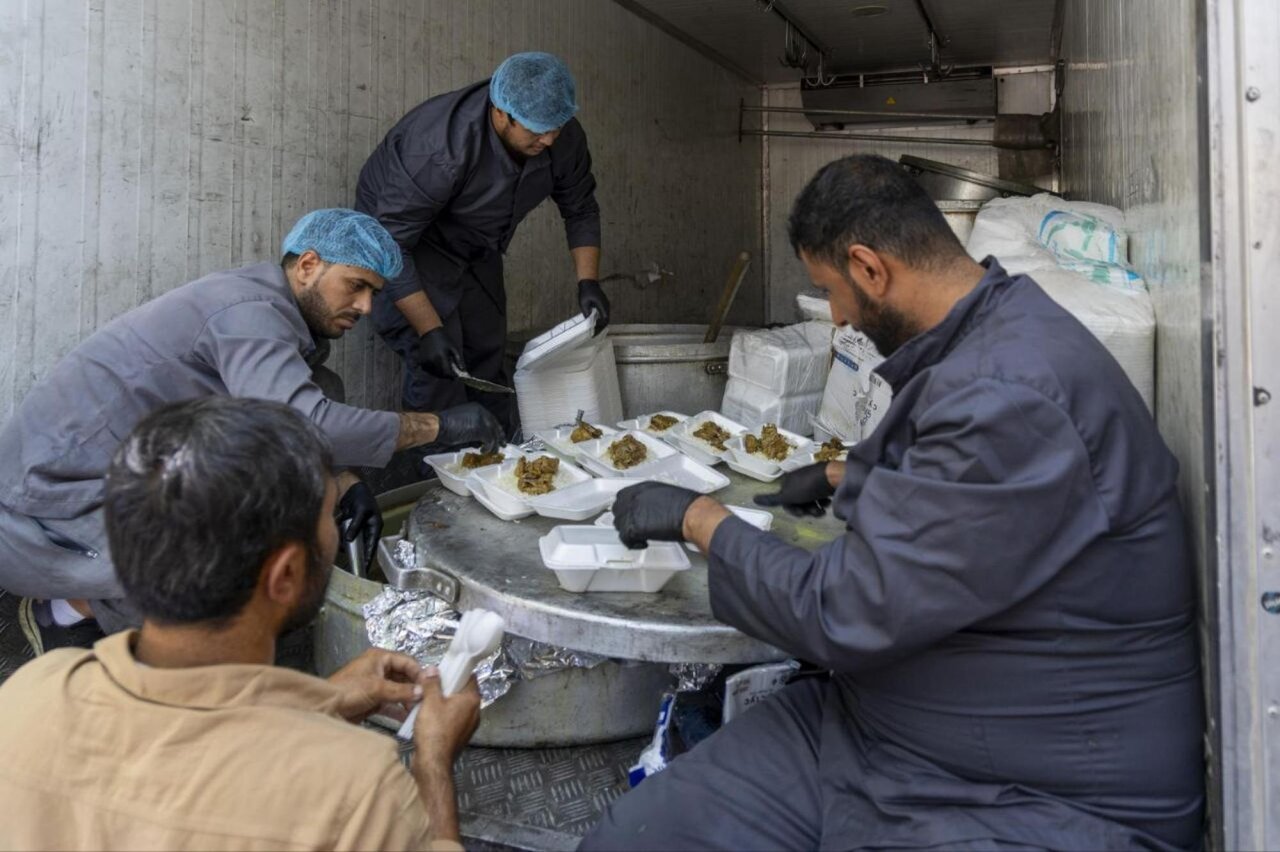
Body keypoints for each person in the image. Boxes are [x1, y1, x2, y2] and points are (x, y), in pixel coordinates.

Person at [589, 155, 1205, 850]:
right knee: (636, 836)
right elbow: (964, 498)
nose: (843, 320)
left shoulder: (1011, 391)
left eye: (831, 291)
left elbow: (848, 609)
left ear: (870, 268)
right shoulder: (994, 329)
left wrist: (699, 518)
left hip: (1030, 795)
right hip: (888, 729)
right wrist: (840, 476)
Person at [0, 208, 505, 653]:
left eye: (374, 293)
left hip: (134, 468)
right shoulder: (248, 313)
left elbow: (294, 407)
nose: (367, 307)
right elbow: (306, 421)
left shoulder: (268, 312)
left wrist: (346, 482)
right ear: (308, 266)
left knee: (319, 391)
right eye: (356, 285)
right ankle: (69, 609)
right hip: (53, 497)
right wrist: (433, 425)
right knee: (205, 593)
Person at [0, 398, 480, 850]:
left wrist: (322, 702)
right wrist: (433, 762)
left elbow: (179, 761)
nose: (335, 533)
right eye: (329, 517)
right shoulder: (354, 790)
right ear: (286, 574)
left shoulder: (29, 696)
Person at [356, 51, 607, 437]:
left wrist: (588, 282)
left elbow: (581, 209)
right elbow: (390, 246)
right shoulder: (439, 148)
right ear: (500, 112)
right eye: (538, 130)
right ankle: (437, 480)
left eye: (556, 126)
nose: (550, 138)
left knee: (488, 354)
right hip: (407, 245)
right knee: (439, 367)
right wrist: (429, 331)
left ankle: (498, 467)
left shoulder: (561, 136)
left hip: (476, 245)